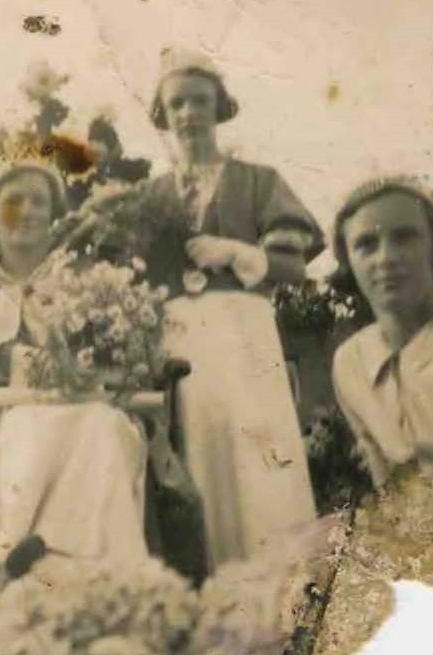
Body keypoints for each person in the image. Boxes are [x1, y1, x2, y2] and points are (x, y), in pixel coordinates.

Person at [120, 48, 324, 568]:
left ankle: (278, 592)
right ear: (163, 114)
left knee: (256, 462)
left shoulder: (257, 181)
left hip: (242, 334)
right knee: (197, 458)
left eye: (199, 101)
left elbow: (293, 266)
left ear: (219, 106)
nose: (188, 113)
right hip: (179, 339)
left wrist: (235, 252)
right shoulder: (149, 195)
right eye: (177, 103)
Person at [0, 156, 149, 590]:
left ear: (54, 212)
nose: (26, 211)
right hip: (4, 412)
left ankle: (101, 582)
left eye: (38, 202)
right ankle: (23, 573)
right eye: (13, 201)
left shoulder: (83, 279)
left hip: (84, 407)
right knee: (30, 431)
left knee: (106, 427)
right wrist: (7, 349)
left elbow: (118, 348)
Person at [332, 177, 433, 487]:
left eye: (405, 238)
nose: (386, 258)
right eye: (366, 244)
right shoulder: (350, 361)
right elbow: (388, 484)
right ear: (347, 260)